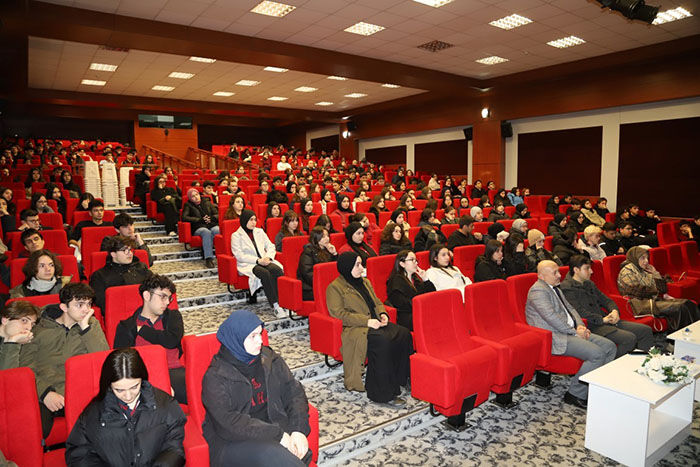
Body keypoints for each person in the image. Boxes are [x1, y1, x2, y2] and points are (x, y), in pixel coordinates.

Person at [201, 310, 313, 466]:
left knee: (298, 453)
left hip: (272, 430)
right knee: (274, 455)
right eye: (253, 336)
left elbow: (293, 392)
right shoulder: (215, 376)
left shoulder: (270, 359)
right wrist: (278, 435)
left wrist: (298, 429)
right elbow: (228, 423)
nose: (260, 340)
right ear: (236, 339)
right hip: (232, 442)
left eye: (260, 333)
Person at [65, 348, 186, 466]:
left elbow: (174, 447)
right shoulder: (93, 414)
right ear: (108, 385)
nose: (128, 396)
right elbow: (78, 454)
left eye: (134, 387)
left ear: (142, 379)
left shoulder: (165, 404)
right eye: (119, 390)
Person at [20, 283, 109, 437]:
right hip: (47, 392)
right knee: (33, 428)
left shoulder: (91, 325)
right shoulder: (38, 329)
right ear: (64, 307)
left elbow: (103, 359)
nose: (86, 309)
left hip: (80, 392)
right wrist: (45, 393)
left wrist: (85, 328)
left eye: (88, 304)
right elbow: (25, 368)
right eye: (79, 304)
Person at [525, 261, 616, 409]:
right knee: (597, 354)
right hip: (555, 337)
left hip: (571, 331)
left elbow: (571, 309)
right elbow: (552, 318)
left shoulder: (555, 288)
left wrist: (581, 326)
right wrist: (575, 332)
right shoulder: (538, 291)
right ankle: (575, 394)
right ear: (541, 276)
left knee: (609, 347)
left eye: (558, 271)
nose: (559, 275)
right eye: (554, 273)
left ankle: (596, 388)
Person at [326, 252, 413, 406]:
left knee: (404, 334)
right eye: (357, 265)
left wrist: (383, 313)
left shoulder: (365, 282)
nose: (362, 268)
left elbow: (377, 302)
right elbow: (339, 314)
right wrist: (366, 321)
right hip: (356, 328)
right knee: (382, 341)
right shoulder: (335, 288)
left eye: (361, 264)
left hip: (375, 323)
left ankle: (401, 378)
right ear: (347, 267)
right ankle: (382, 393)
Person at [561, 255, 654, 357]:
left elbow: (606, 300)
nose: (591, 271)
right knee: (629, 339)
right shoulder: (567, 288)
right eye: (587, 268)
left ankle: (644, 361)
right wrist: (602, 320)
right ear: (576, 270)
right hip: (592, 326)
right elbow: (578, 312)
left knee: (645, 331)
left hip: (607, 321)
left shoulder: (588, 283)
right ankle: (612, 363)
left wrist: (614, 311)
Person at [114, 274, 186, 404]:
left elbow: (171, 341)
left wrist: (143, 330)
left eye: (169, 298)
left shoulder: (173, 317)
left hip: (174, 372)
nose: (167, 302)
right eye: (163, 297)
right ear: (147, 296)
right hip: (144, 378)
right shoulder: (127, 326)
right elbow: (121, 362)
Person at [617, 246, 700, 332]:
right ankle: (680, 336)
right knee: (680, 307)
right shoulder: (627, 271)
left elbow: (663, 289)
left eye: (647, 258)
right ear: (635, 258)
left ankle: (695, 333)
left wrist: (655, 273)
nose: (646, 261)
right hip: (640, 305)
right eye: (642, 258)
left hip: (652, 300)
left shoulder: (643, 271)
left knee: (688, 303)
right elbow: (637, 291)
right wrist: (656, 289)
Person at [231, 210, 285, 317]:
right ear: (244, 220)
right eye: (251, 220)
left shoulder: (259, 231)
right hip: (249, 263)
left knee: (277, 270)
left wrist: (268, 257)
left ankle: (284, 303)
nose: (254, 222)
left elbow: (270, 246)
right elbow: (239, 255)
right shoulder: (236, 235)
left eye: (255, 220)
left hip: (264, 260)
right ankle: (276, 305)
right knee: (265, 273)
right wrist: (257, 261)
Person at [90, 236, 151, 312]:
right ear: (113, 254)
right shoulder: (99, 276)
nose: (130, 253)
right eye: (125, 250)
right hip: (119, 313)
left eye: (130, 250)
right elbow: (103, 303)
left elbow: (154, 288)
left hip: (145, 310)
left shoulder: (141, 267)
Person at [386, 250, 436, 330]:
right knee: (432, 317)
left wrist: (425, 279)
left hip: (419, 311)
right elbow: (401, 304)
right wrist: (422, 305)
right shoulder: (395, 280)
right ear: (402, 264)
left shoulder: (415, 279)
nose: (416, 263)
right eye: (412, 260)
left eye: (416, 260)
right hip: (405, 316)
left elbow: (433, 295)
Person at [182, 188, 220, 268]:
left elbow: (217, 214)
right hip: (198, 226)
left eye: (197, 194)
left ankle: (221, 256)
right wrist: (199, 219)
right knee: (206, 232)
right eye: (193, 196)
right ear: (190, 198)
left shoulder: (207, 202)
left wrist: (211, 218)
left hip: (211, 224)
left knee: (217, 230)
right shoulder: (188, 205)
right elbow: (184, 217)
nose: (196, 197)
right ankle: (208, 258)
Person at [297, 226, 337, 301]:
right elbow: (307, 274)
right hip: (310, 288)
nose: (327, 238)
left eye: (327, 236)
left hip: (326, 284)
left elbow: (335, 268)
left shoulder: (327, 249)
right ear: (316, 238)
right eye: (323, 236)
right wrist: (323, 283)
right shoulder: (308, 252)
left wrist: (334, 254)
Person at [0, 300, 39, 370]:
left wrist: (13, 342)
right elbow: (6, 374)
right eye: (24, 321)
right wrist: (12, 342)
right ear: (5, 320)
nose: (29, 328)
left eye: (32, 324)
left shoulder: (26, 342)